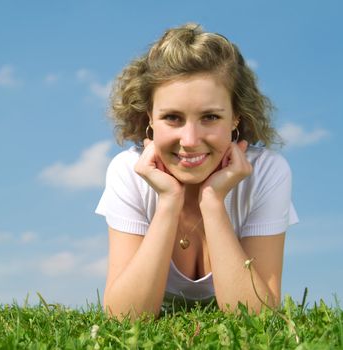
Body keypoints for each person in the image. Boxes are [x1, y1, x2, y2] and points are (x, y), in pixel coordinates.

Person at [95, 23, 298, 320]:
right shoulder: (127, 172)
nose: (189, 141)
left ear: (235, 119)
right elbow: (124, 317)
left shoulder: (266, 173)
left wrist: (213, 202)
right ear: (150, 117)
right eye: (173, 117)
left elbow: (257, 318)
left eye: (210, 117)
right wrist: (167, 202)